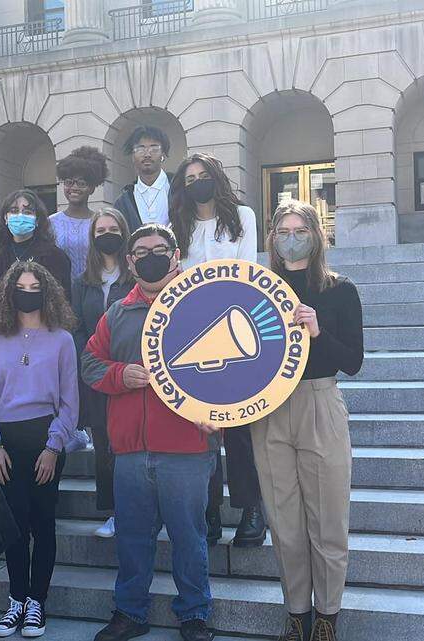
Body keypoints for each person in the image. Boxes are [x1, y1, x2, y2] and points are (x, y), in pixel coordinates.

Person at [82, 225, 218, 641]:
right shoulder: (117, 313)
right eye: (141, 252)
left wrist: (218, 415)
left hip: (186, 448)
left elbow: (232, 372)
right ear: (130, 261)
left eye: (160, 250)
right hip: (129, 451)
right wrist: (122, 375)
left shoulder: (202, 303)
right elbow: (89, 363)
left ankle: (194, 614)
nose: (151, 257)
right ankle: (130, 612)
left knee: (188, 537)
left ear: (176, 255)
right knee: (133, 539)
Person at [253, 200, 363, 641]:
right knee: (284, 521)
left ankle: (327, 616)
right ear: (272, 239)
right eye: (283, 230)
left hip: (319, 401)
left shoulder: (339, 289)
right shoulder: (258, 288)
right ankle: (296, 612)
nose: (291, 237)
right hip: (269, 408)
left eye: (300, 229)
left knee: (327, 520)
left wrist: (320, 331)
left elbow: (353, 361)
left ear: (317, 235)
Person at [168, 152, 265, 547]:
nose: (196, 183)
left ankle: (250, 509)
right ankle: (208, 511)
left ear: (216, 178)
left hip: (234, 328)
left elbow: (247, 272)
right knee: (200, 429)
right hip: (191, 332)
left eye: (202, 175)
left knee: (239, 429)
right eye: (189, 178)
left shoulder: (242, 218)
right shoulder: (177, 225)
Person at [0, 262, 79, 639]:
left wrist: (54, 446)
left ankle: (38, 601)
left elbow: (70, 401)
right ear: (9, 293)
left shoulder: (62, 339)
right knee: (15, 525)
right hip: (6, 441)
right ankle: (16, 600)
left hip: (46, 438)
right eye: (20, 286)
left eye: (34, 285)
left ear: (47, 290)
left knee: (43, 522)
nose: (27, 291)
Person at [71, 208, 134, 539]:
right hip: (97, 373)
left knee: (130, 446)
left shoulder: (135, 277)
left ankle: (142, 511)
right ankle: (113, 512)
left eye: (112, 228)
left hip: (130, 372)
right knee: (103, 445)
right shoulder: (82, 282)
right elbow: (77, 326)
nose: (106, 234)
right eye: (100, 230)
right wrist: (93, 356)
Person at [0, 188, 72, 309]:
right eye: (14, 211)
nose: (20, 216)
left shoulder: (55, 257)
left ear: (37, 219)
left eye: (27, 212)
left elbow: (63, 304)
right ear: (5, 218)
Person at [50, 146, 109, 280]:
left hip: (94, 291)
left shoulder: (100, 222)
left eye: (81, 183)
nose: (74, 187)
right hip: (61, 292)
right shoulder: (50, 223)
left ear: (92, 188)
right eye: (69, 182)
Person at [113, 126, 173, 231]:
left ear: (163, 154)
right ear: (132, 156)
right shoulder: (124, 201)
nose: (147, 154)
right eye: (140, 149)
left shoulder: (178, 187)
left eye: (154, 149)